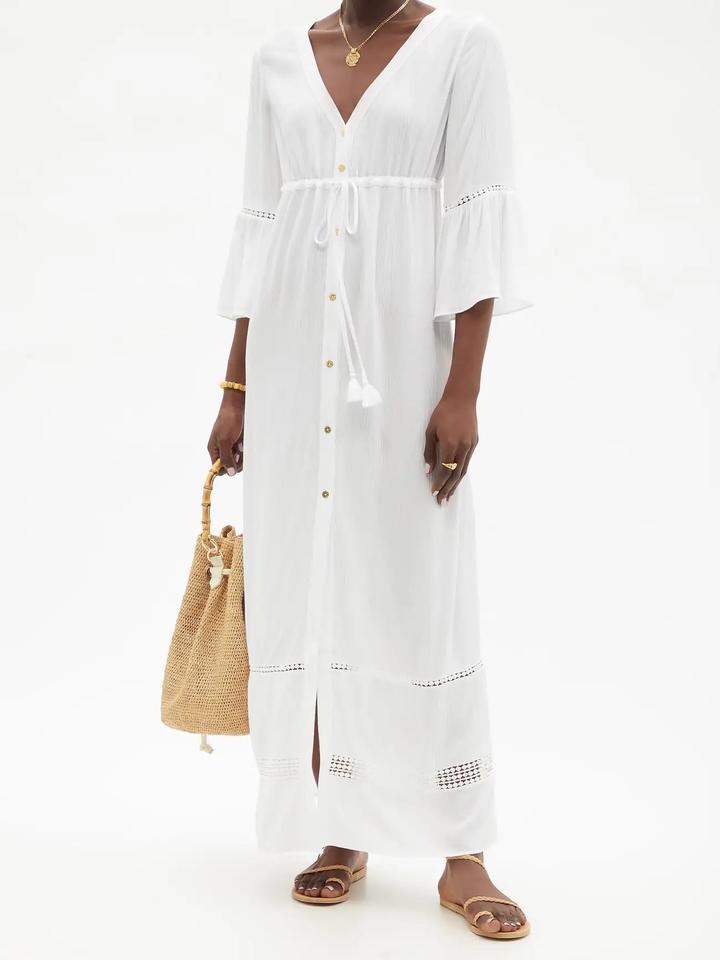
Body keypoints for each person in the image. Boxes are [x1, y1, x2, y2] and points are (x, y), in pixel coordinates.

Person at [208, 0, 531, 939]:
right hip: (289, 371)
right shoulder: (280, 56)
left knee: (422, 589)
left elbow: (477, 217)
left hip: (405, 367)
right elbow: (262, 227)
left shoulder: (463, 46)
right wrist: (235, 389)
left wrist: (462, 389)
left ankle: (462, 850)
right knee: (308, 589)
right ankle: (339, 825)